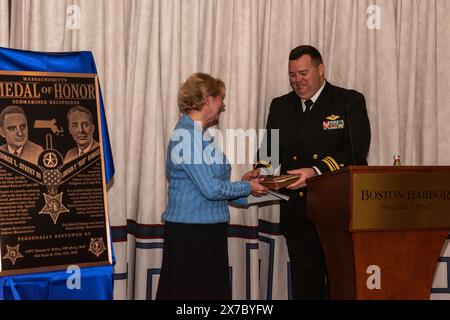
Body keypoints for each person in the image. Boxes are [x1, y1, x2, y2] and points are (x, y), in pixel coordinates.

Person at [243, 45, 371, 299]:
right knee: (305, 283)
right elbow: (270, 149)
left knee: (342, 281)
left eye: (303, 73)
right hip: (297, 210)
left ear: (320, 70)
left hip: (336, 208)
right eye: (292, 75)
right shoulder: (281, 105)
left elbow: (356, 152)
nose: (297, 81)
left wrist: (315, 171)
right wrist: (260, 171)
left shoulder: (348, 101)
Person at [156, 73, 268, 300]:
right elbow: (212, 189)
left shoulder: (198, 135)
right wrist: (247, 188)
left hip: (204, 232)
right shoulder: (186, 137)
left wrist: (252, 189)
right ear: (207, 99)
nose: (223, 105)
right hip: (192, 235)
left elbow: (213, 189)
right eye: (220, 99)